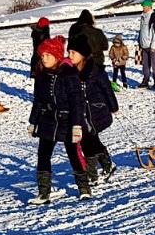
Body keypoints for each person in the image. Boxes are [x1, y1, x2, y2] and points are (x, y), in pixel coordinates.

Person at [29, 37, 86, 202]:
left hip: (67, 120)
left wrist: (77, 125)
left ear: (56, 56)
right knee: (43, 155)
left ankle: (84, 187)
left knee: (73, 153)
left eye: (48, 55)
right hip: (47, 120)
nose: (44, 58)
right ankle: (43, 193)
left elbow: (77, 101)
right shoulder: (41, 75)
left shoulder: (69, 74)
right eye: (42, 55)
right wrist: (33, 122)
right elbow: (38, 101)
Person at [69, 37, 119, 184]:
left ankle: (92, 175)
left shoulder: (96, 70)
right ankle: (107, 164)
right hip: (80, 115)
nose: (70, 55)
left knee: (88, 142)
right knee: (91, 140)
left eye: (73, 52)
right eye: (69, 52)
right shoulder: (69, 71)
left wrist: (113, 107)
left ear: (83, 54)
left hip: (96, 112)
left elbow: (107, 90)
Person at [137, 0, 155, 89]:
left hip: (152, 47)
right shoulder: (143, 16)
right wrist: (139, 41)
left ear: (149, 7)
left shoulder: (154, 17)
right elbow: (141, 31)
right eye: (143, 7)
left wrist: (154, 46)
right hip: (144, 45)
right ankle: (145, 80)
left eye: (144, 7)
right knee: (145, 65)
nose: (143, 8)